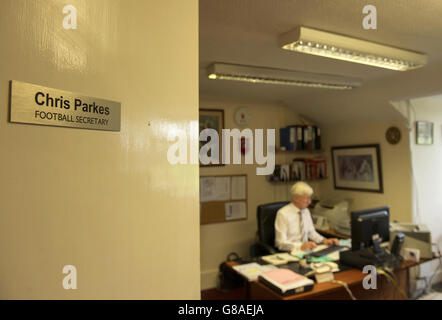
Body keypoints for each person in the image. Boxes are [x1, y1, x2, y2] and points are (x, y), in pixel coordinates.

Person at [274, 181, 339, 252]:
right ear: (296, 198)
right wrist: (301, 246)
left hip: (306, 251)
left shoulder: (306, 211)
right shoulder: (283, 214)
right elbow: (280, 243)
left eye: (310, 198)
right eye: (307, 198)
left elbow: (311, 232)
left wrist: (324, 240)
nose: (309, 202)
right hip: (291, 251)